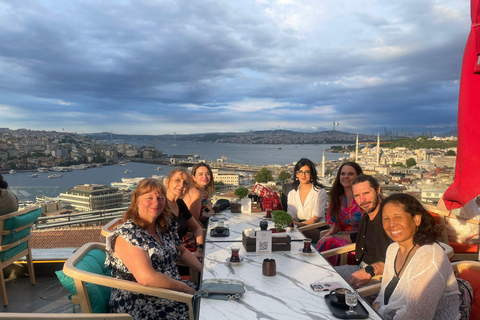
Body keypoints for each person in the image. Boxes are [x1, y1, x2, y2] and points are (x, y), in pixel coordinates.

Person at [105, 178, 201, 320]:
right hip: (141, 301)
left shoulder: (163, 225)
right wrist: (185, 289)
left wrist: (204, 271)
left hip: (172, 290)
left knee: (215, 297)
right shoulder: (129, 233)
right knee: (208, 310)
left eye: (160, 198)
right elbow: (147, 278)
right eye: (149, 198)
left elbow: (182, 251)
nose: (156, 202)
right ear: (136, 201)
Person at [373, 193, 460, 320]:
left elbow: (416, 315)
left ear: (417, 219)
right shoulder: (393, 249)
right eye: (385, 218)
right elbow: (382, 296)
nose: (391, 224)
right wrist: (374, 312)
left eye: (397, 217)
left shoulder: (429, 256)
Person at [335, 175, 392, 289]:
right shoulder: (366, 217)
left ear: (378, 190)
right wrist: (338, 236)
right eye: (357, 195)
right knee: (321, 274)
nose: (362, 200)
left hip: (377, 277)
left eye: (366, 193)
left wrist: (369, 271)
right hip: (360, 268)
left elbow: (400, 259)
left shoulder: (389, 220)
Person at [316, 162, 363, 256]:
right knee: (324, 242)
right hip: (342, 237)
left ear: (358, 176)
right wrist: (329, 234)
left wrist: (335, 236)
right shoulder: (338, 198)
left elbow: (368, 231)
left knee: (328, 244)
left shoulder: (364, 199)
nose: (346, 177)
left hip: (359, 242)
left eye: (351, 174)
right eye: (343, 174)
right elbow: (336, 223)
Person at [165, 167, 204, 260]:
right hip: (170, 260)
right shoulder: (159, 205)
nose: (181, 185)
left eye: (185, 183)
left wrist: (199, 249)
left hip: (182, 253)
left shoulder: (180, 203)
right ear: (168, 182)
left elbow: (197, 228)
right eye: (177, 180)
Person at [287, 158, 328, 227]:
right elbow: (290, 214)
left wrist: (299, 225)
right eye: (300, 172)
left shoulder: (320, 192)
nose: (303, 175)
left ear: (312, 174)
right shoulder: (292, 194)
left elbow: (316, 218)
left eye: (307, 172)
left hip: (315, 227)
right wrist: (291, 223)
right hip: (296, 226)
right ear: (296, 174)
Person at [184, 163, 215, 227]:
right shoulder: (195, 193)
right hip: (195, 234)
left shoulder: (204, 191)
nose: (205, 177)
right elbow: (193, 222)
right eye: (200, 174)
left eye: (207, 174)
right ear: (194, 177)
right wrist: (207, 232)